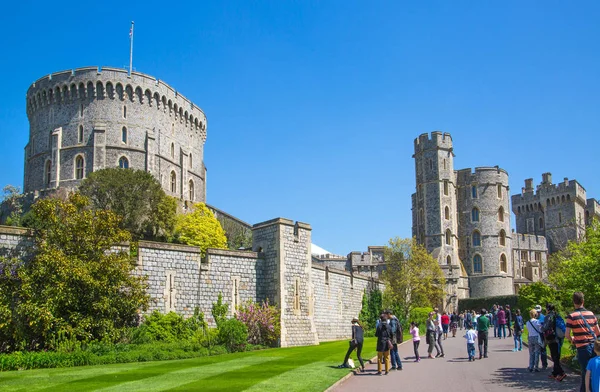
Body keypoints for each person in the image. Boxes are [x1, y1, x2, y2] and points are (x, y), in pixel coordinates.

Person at [566, 292, 600, 392]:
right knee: (595, 373)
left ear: (574, 302)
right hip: (594, 346)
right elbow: (598, 332)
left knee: (586, 373)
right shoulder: (591, 314)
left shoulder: (571, 316)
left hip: (582, 347)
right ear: (583, 301)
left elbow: (567, 334)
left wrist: (573, 340)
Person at [542, 303, 566, 381]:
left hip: (552, 338)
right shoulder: (557, 315)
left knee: (554, 357)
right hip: (559, 338)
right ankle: (555, 373)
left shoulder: (548, 317)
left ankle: (561, 373)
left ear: (548, 309)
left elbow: (545, 327)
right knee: (557, 355)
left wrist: (541, 327)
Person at [536, 304, 549, 369]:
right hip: (535, 335)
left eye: (538, 312)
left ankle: (544, 364)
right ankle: (536, 365)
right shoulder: (533, 318)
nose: (537, 313)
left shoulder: (544, 318)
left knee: (543, 350)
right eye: (536, 312)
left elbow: (546, 328)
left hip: (542, 336)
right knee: (535, 351)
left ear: (540, 311)